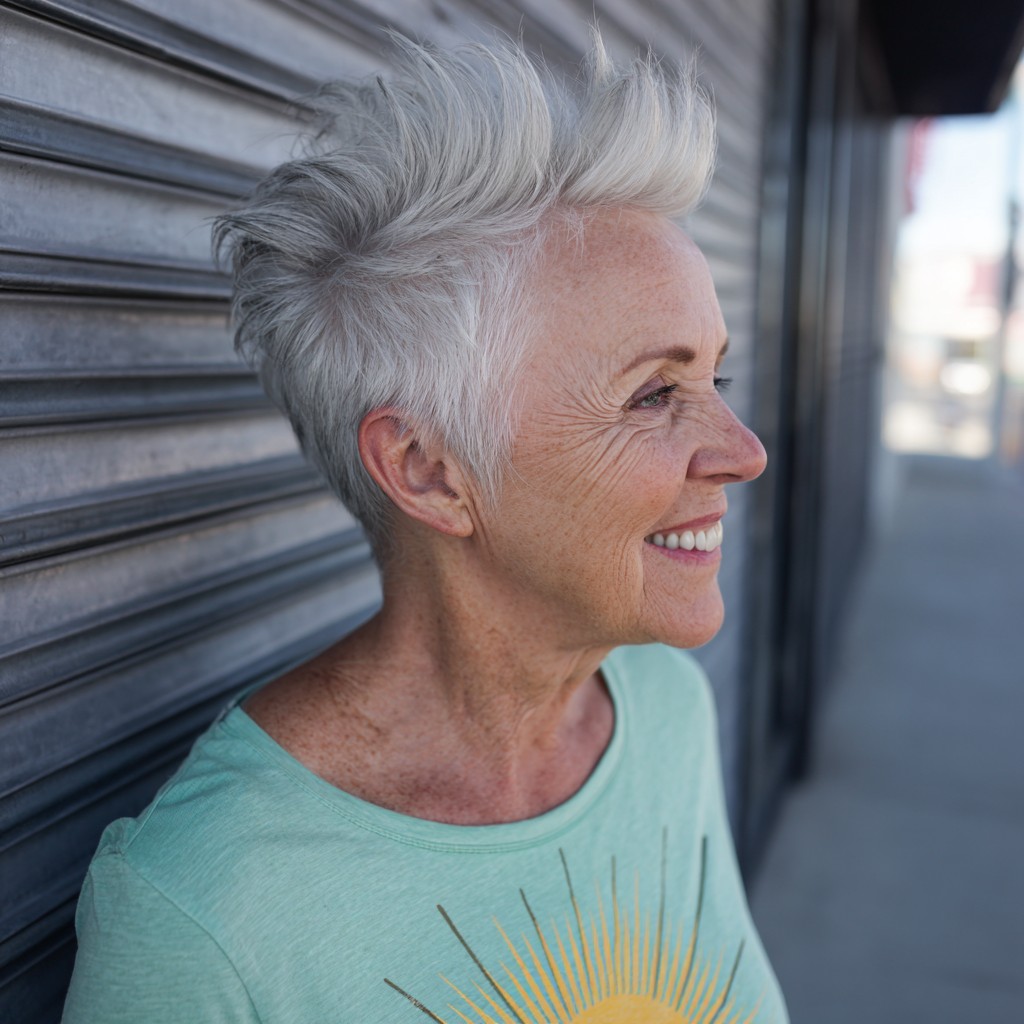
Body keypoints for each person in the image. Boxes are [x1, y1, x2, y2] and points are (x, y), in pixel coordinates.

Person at [63, 34, 789, 1023]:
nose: (742, 449)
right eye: (655, 393)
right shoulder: (205, 908)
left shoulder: (664, 710)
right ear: (429, 472)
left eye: (716, 376)